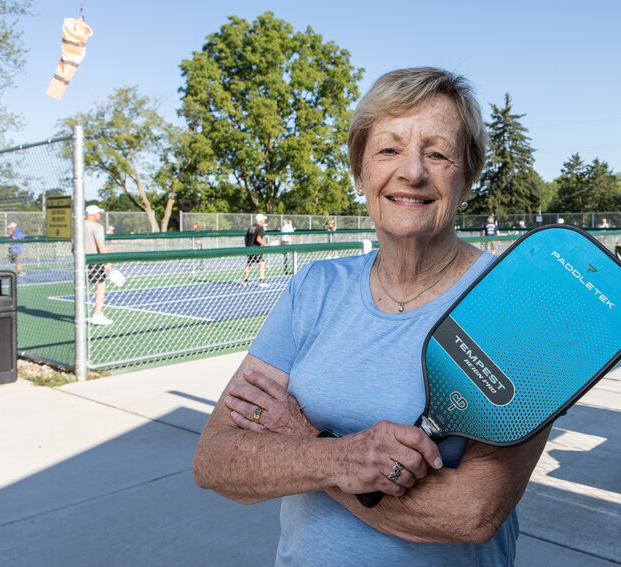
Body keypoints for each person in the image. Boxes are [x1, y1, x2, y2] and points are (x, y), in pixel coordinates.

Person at [193, 67, 552, 565]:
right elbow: (216, 460)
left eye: (438, 152)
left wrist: (301, 442)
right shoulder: (314, 289)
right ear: (360, 173)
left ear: (467, 177)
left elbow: (470, 513)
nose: (412, 172)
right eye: (388, 149)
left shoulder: (514, 309)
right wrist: (338, 458)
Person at [84, 205, 113, 325]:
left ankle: (82, 315)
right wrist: (108, 262)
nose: (100, 215)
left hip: (81, 260)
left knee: (81, 287)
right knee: (101, 286)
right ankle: (97, 314)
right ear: (95, 214)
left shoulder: (76, 226)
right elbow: (100, 244)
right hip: (94, 260)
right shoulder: (97, 227)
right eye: (99, 213)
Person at [243, 214, 269, 287]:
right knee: (262, 263)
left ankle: (245, 280)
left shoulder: (251, 227)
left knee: (249, 263)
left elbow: (246, 237)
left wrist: (247, 246)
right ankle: (262, 280)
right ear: (260, 220)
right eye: (263, 220)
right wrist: (264, 244)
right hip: (256, 248)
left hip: (249, 248)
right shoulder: (260, 228)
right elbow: (258, 239)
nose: (264, 221)